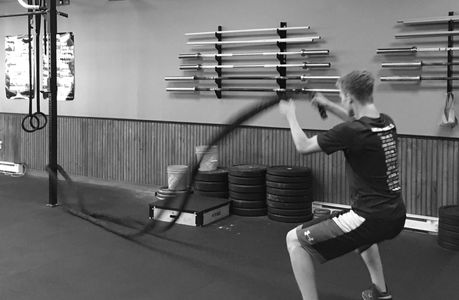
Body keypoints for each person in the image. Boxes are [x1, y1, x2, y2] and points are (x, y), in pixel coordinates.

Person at [279, 70, 406, 300]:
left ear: (349, 98)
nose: (340, 100)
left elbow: (303, 146)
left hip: (369, 217)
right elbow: (356, 124)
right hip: (395, 214)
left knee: (294, 240)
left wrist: (290, 115)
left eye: (340, 96)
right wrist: (328, 105)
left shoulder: (351, 132)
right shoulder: (386, 122)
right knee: (365, 238)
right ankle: (381, 291)